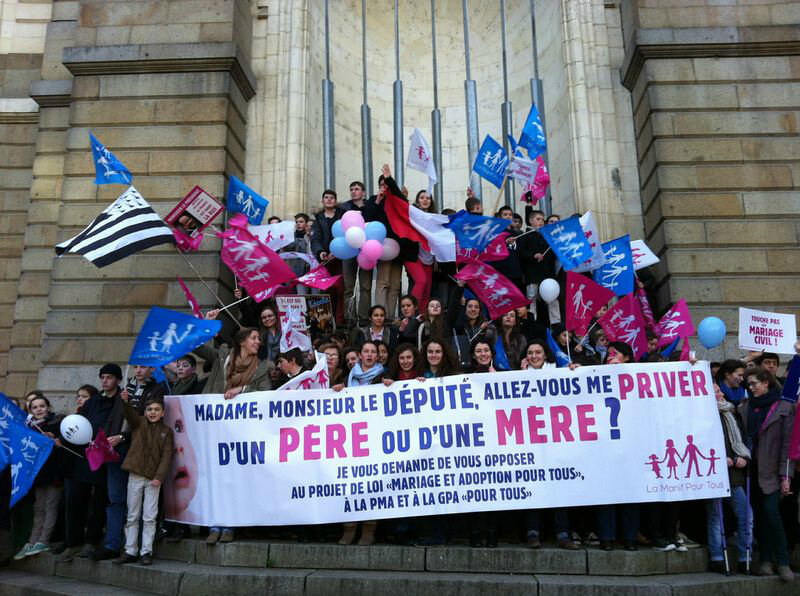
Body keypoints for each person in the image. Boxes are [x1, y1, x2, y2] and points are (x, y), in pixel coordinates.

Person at [193, 315, 273, 544]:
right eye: (254, 338)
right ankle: (214, 525)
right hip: (214, 428)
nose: (258, 342)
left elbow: (265, 394)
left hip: (241, 432)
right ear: (241, 342)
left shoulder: (261, 368)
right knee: (215, 477)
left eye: (258, 338)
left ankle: (230, 526)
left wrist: (242, 390)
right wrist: (204, 323)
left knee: (235, 478)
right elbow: (197, 346)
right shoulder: (222, 356)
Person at [741, 367, 795, 582]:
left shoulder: (783, 408)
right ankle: (765, 561)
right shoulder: (745, 408)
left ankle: (782, 562)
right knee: (760, 517)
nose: (751, 388)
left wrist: (786, 476)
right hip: (750, 471)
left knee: (772, 514)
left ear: (766, 383)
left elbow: (787, 447)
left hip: (772, 472)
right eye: (749, 384)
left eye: (754, 383)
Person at [113, 393, 173, 566]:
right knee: (132, 515)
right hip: (136, 475)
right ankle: (130, 550)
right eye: (149, 409)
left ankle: (146, 551)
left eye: (156, 410)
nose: (153, 412)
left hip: (153, 479)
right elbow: (129, 414)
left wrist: (159, 477)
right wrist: (125, 401)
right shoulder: (138, 424)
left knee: (149, 517)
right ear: (145, 412)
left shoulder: (166, 432)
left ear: (162, 413)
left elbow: (167, 456)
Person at [80, 363, 128, 562]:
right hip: (93, 455)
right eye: (102, 377)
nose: (105, 381)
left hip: (113, 455)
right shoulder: (93, 401)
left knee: (108, 498)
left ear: (118, 379)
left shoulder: (123, 399)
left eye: (109, 377)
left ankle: (108, 541)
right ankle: (90, 541)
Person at [595, 342, 640, 551]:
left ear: (627, 358)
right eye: (608, 354)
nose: (610, 357)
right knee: (606, 493)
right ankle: (607, 537)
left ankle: (630, 537)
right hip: (604, 446)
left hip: (630, 445)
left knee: (630, 494)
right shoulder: (593, 375)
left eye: (615, 354)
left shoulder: (639, 376)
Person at [56, 385, 108, 562]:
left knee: (97, 504)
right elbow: (71, 435)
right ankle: (72, 541)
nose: (79, 399)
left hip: (98, 461)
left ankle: (92, 540)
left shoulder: (99, 411)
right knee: (74, 502)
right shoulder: (77, 417)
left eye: (84, 396)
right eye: (78, 396)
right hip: (77, 466)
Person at [706, 382, 752, 575]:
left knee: (746, 515)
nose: (721, 394)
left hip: (734, 474)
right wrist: (718, 457)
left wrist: (743, 456)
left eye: (719, 390)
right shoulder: (703, 415)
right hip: (713, 472)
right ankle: (717, 557)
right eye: (716, 391)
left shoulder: (731, 413)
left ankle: (745, 557)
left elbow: (742, 439)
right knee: (716, 517)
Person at [14, 396, 63, 560]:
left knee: (50, 506)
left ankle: (44, 539)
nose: (39, 409)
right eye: (34, 407)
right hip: (38, 475)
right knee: (38, 507)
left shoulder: (56, 424)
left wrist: (57, 442)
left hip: (54, 473)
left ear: (48, 407)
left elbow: (64, 445)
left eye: (42, 406)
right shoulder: (30, 429)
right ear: (30, 411)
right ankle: (33, 540)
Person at [310, 189, 348, 325]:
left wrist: (337, 252)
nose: (329, 200)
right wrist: (320, 252)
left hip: (341, 259)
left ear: (335, 201)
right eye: (326, 197)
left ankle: (339, 322)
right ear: (323, 200)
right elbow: (315, 239)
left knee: (341, 290)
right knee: (325, 290)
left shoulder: (342, 216)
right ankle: (323, 323)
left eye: (332, 197)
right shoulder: (318, 218)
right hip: (325, 260)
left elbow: (346, 236)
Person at [338, 183, 373, 324]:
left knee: (366, 285)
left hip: (366, 249)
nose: (353, 192)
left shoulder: (369, 206)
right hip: (348, 248)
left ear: (363, 192)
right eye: (351, 189)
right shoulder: (344, 208)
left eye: (357, 189)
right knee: (348, 285)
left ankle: (364, 316)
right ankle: (349, 316)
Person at [517, 209, 559, 324]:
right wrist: (533, 255)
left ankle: (556, 324)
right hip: (533, 274)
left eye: (542, 219)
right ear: (531, 221)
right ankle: (531, 321)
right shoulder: (525, 235)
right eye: (538, 219)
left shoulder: (546, 235)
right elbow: (521, 252)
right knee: (532, 297)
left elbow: (552, 254)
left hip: (547, 274)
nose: (541, 222)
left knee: (552, 298)